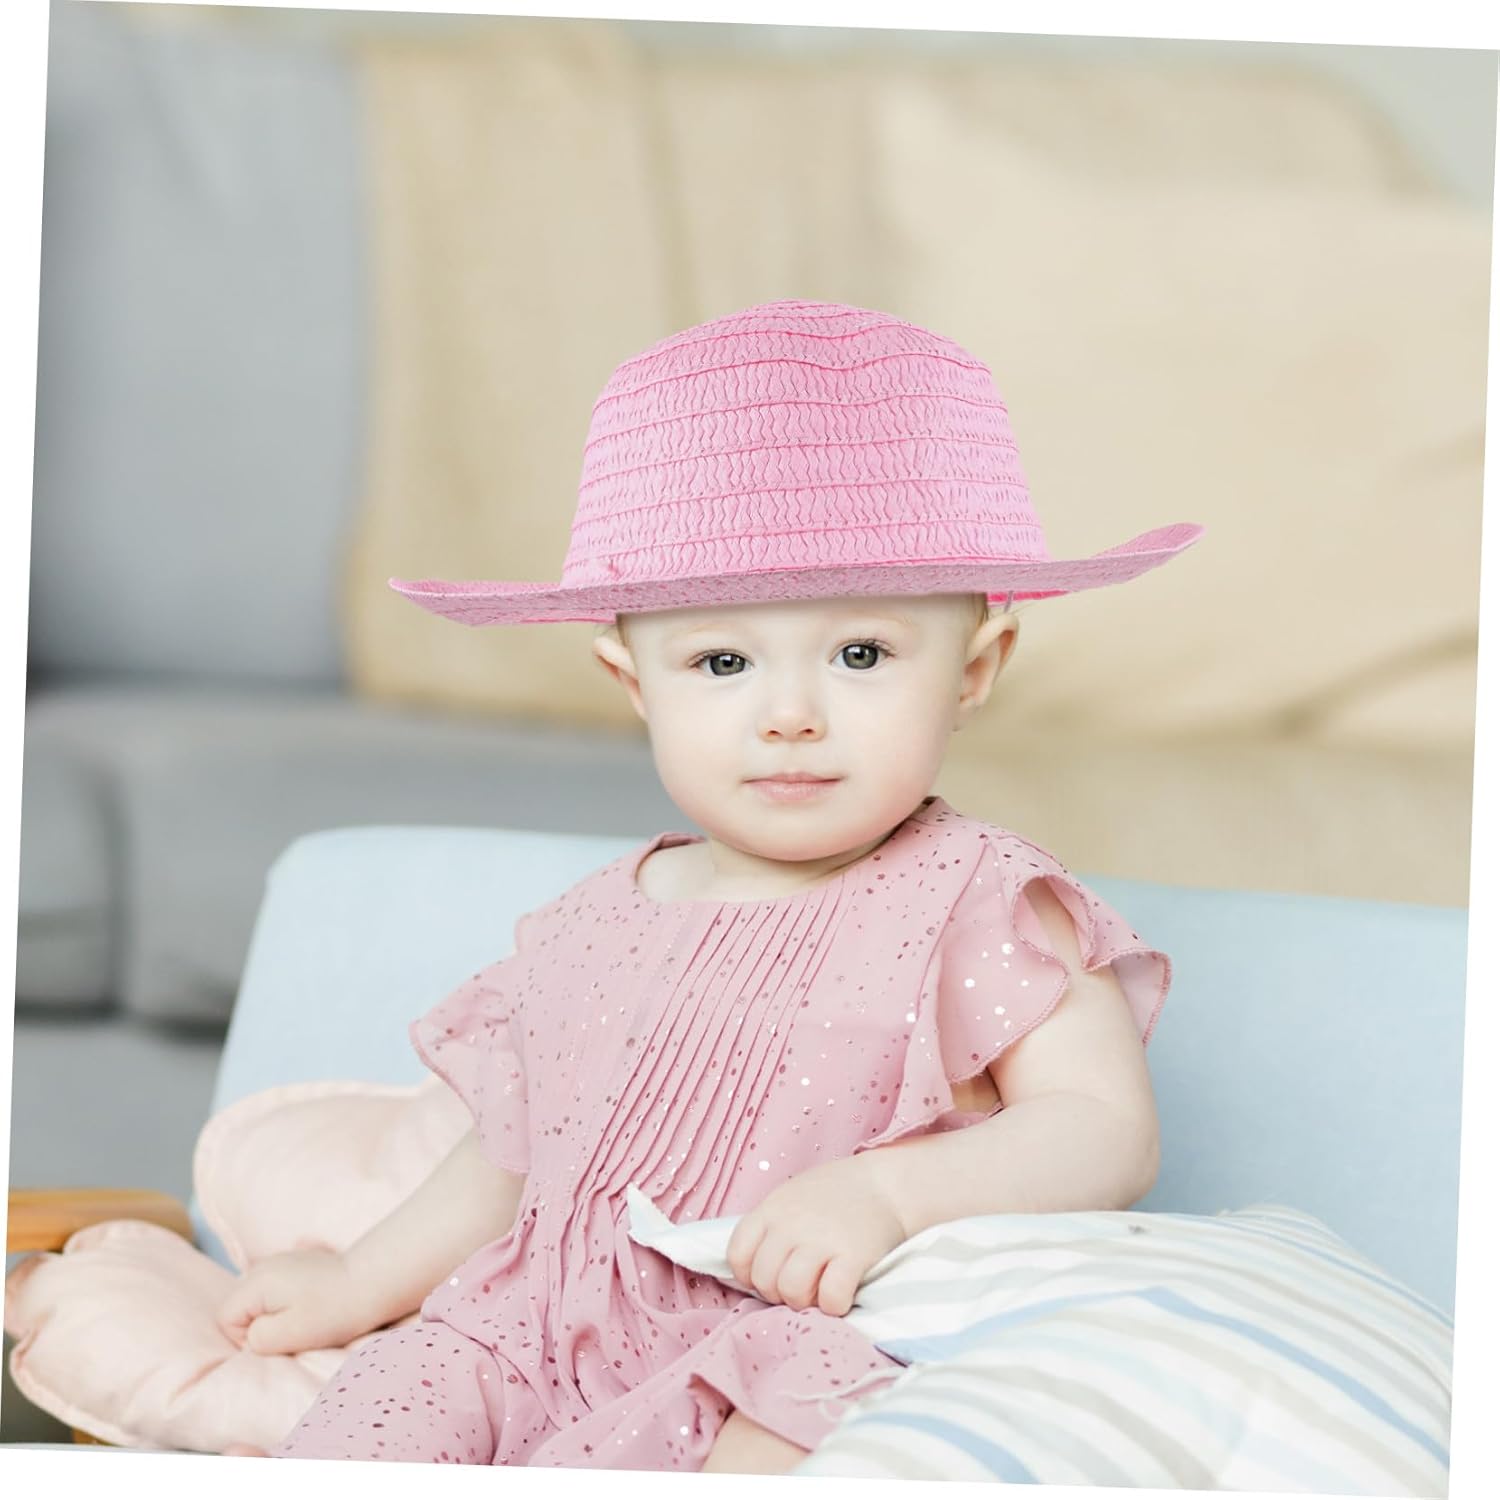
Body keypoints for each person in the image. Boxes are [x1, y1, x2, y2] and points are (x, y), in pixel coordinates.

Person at [216, 299, 1203, 1471]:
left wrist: (887, 1199)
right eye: (722, 661)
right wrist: (358, 1280)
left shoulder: (982, 900)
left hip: (792, 1325)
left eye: (862, 654)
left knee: (813, 1409)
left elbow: (1101, 1129)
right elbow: (515, 1157)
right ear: (635, 684)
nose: (789, 714)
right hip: (525, 1332)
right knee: (394, 1395)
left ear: (975, 669)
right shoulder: (587, 926)